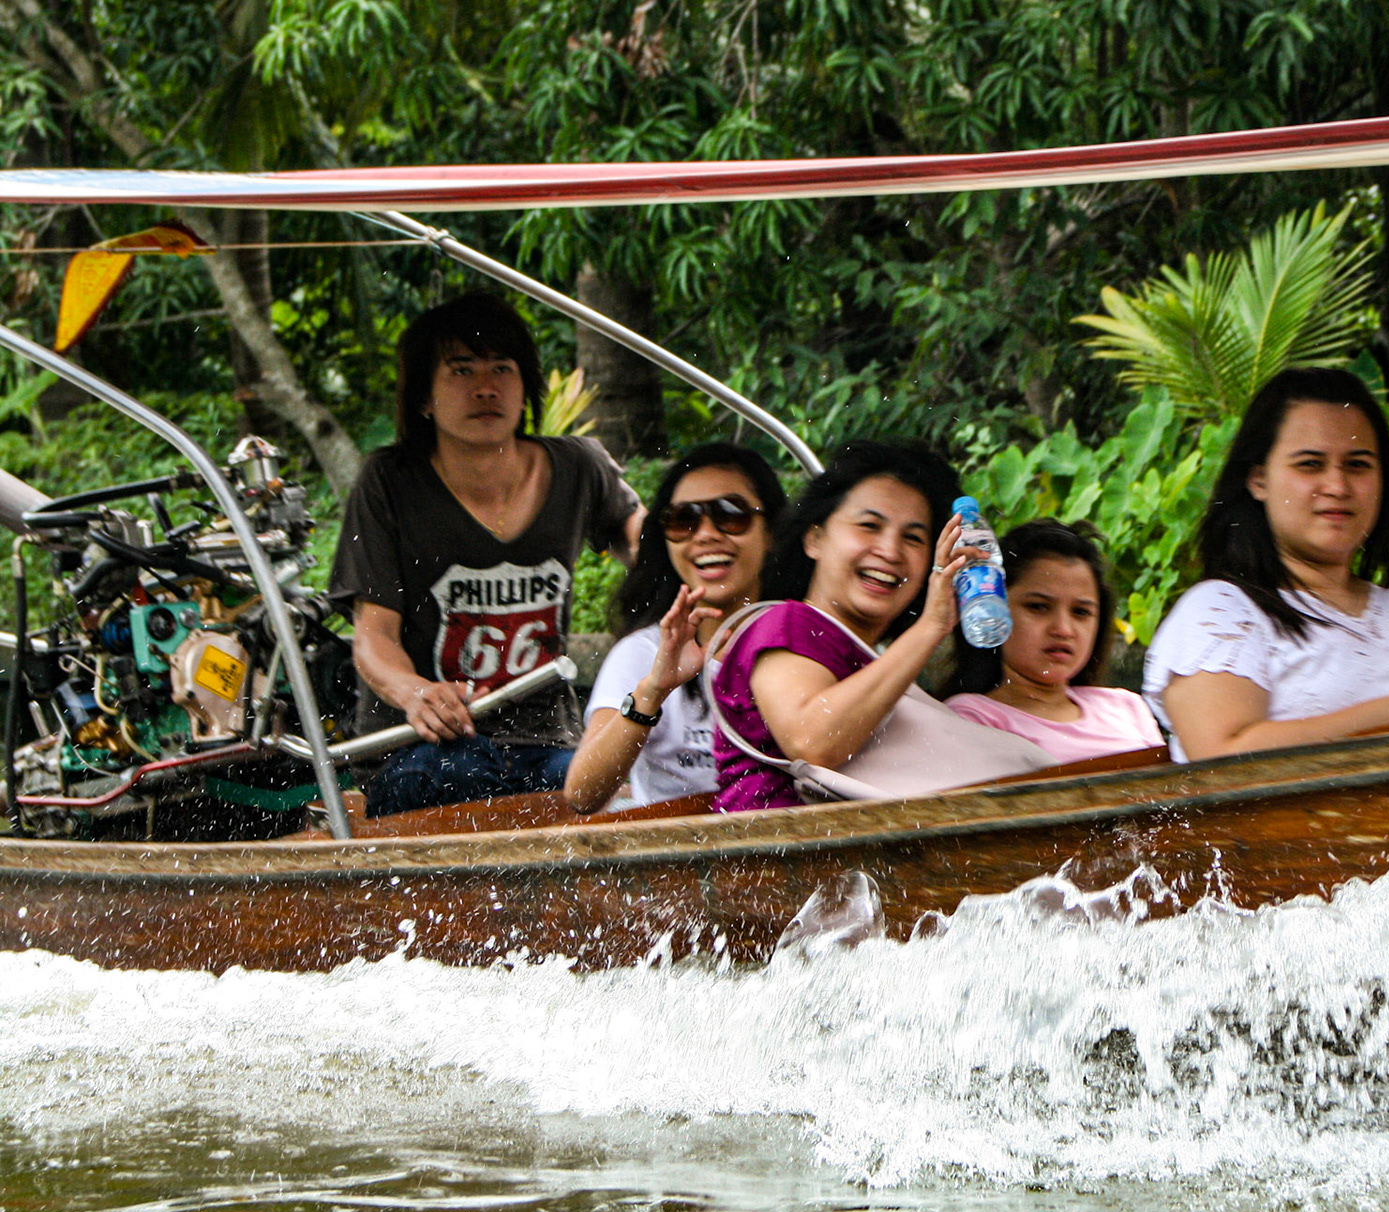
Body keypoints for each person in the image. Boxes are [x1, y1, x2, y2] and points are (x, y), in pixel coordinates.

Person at [331, 290, 642, 817]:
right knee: (453, 774)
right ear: (424, 399)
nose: (485, 388)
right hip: (421, 750)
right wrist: (415, 695)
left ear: (525, 390)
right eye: (461, 371)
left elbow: (652, 546)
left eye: (502, 369)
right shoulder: (389, 482)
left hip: (547, 743)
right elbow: (372, 636)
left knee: (604, 793)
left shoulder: (578, 467)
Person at [709, 441, 1041, 811]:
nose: (890, 550)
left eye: (913, 538)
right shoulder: (784, 624)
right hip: (775, 859)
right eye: (869, 525)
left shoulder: (882, 662)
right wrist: (931, 626)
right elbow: (814, 741)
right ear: (815, 539)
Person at [1142, 368, 1389, 761]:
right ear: (1258, 480)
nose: (1338, 486)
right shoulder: (1221, 613)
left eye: (1357, 465)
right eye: (1310, 464)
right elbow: (1220, 760)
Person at [564, 443, 786, 814]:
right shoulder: (644, 653)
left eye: (730, 515)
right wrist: (654, 691)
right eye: (683, 520)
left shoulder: (807, 641)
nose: (705, 534)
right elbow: (582, 795)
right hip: (673, 862)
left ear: (773, 532)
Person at [942, 519, 1163, 763]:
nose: (1063, 629)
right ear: (994, 610)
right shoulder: (973, 717)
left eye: (1081, 612)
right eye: (1038, 607)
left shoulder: (1125, 707)